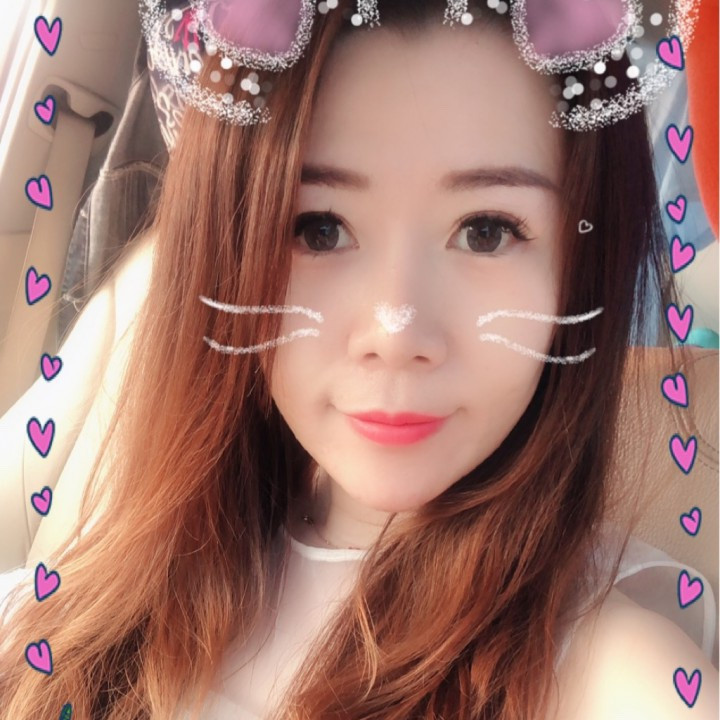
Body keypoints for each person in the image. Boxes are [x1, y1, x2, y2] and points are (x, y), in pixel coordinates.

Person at [0, 1, 717, 718]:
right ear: (224, 247)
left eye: (487, 231)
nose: (396, 330)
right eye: (319, 228)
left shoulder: (615, 677)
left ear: (581, 265)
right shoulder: (86, 598)